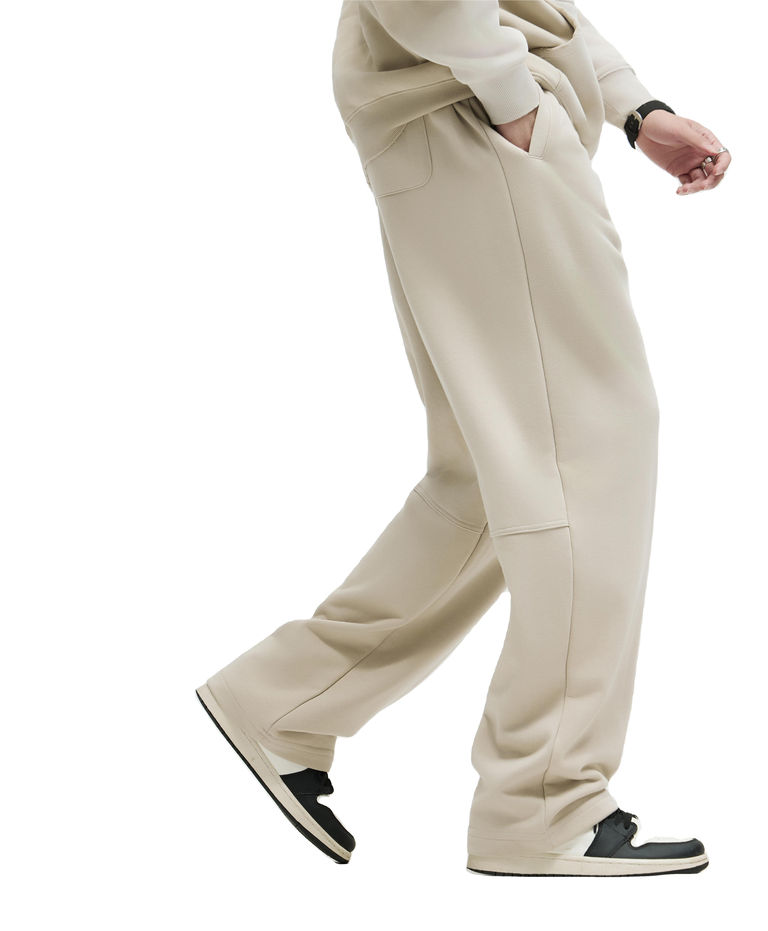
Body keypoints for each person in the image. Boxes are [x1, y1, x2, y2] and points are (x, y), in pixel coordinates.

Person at [196, 0, 729, 877]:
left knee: (495, 470)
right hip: (474, 118)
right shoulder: (493, 99)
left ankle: (286, 696)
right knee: (588, 449)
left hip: (460, 117)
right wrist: (513, 99)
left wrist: (633, 107)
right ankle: (544, 799)